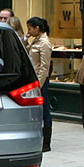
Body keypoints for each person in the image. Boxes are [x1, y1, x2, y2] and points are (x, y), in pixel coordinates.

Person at [26, 16, 53, 152]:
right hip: (33, 80)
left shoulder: (44, 43)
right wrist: (25, 38)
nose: (28, 31)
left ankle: (46, 142)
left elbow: (44, 67)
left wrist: (39, 84)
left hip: (40, 80)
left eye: (30, 28)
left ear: (37, 28)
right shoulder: (35, 40)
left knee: (44, 110)